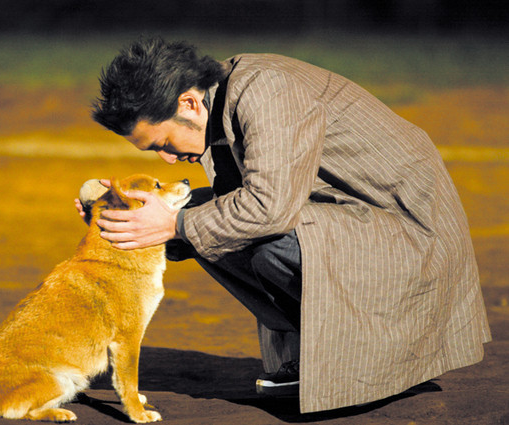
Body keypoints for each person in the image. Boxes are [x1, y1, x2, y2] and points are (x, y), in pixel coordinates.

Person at [78, 37, 491, 413]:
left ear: (188, 103)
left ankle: (359, 357)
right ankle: (325, 353)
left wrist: (174, 224)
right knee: (203, 222)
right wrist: (125, 220)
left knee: (250, 235)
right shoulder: (222, 101)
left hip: (411, 245)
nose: (167, 159)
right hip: (361, 225)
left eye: (163, 143)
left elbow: (269, 208)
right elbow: (227, 211)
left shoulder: (267, 92)